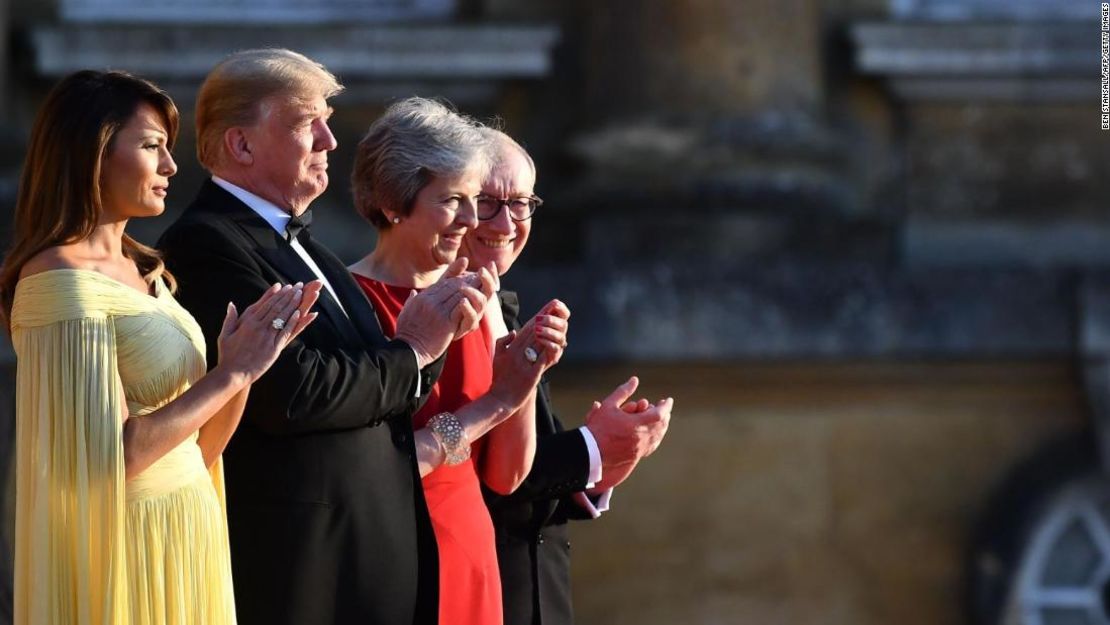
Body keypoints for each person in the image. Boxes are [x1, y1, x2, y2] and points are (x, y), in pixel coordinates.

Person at [158, 51, 494, 625]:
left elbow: (390, 387)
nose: (328, 141)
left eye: (328, 121)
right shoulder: (206, 244)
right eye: (305, 122)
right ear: (242, 146)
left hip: (365, 566)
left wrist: (432, 337)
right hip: (305, 571)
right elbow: (292, 393)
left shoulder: (313, 251)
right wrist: (412, 351)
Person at [1, 69, 318, 625]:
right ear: (92, 153)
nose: (172, 167)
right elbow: (111, 457)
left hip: (189, 525)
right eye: (152, 147)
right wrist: (230, 374)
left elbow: (198, 451)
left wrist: (244, 367)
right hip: (127, 548)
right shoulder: (60, 281)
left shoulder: (148, 271)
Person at [348, 97, 569, 625]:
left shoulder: (481, 298)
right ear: (396, 201)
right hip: (392, 548)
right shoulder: (347, 297)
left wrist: (524, 374)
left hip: (469, 547)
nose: (474, 221)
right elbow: (368, 466)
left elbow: (507, 477)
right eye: (462, 200)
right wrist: (497, 402)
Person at [467, 129, 673, 625]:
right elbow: (466, 470)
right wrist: (589, 449)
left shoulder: (504, 306)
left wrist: (599, 468)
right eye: (487, 202)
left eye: (521, 204)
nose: (507, 222)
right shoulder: (429, 317)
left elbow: (522, 468)